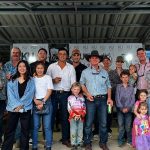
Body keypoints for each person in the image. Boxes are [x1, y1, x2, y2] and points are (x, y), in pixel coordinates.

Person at [80, 50, 113, 150]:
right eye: (92, 58)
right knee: (89, 123)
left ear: (99, 60)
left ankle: (103, 142)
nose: (94, 59)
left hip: (103, 100)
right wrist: (87, 94)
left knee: (103, 123)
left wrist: (109, 98)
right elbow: (82, 84)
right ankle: (87, 143)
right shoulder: (85, 72)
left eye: (96, 58)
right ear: (89, 60)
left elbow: (109, 86)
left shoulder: (104, 72)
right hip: (90, 100)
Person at [1, 60, 35, 150]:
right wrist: (17, 106)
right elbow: (10, 95)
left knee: (25, 130)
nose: (22, 68)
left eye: (24, 66)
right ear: (17, 68)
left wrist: (21, 105)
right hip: (13, 108)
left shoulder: (31, 80)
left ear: (27, 68)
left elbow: (30, 94)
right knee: (10, 130)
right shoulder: (12, 79)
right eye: (20, 66)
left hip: (26, 108)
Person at [46, 48, 76, 147]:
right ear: (57, 55)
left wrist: (73, 96)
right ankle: (48, 139)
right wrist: (53, 81)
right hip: (53, 93)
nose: (62, 56)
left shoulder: (70, 67)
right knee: (50, 116)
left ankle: (65, 139)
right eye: (60, 54)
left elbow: (73, 83)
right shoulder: (51, 67)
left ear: (67, 56)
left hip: (66, 94)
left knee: (65, 117)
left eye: (64, 54)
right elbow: (45, 81)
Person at [32, 61, 53, 150]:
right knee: (35, 126)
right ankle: (34, 145)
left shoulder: (48, 77)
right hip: (35, 102)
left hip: (46, 101)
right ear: (35, 69)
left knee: (47, 126)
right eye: (38, 68)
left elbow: (49, 90)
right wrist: (35, 100)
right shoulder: (32, 78)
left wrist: (43, 101)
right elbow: (30, 91)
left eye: (41, 68)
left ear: (44, 69)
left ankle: (48, 145)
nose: (39, 70)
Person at [115, 70, 135, 147]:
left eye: (126, 77)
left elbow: (132, 99)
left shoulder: (131, 87)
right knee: (121, 126)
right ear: (121, 78)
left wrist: (128, 108)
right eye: (123, 77)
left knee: (128, 126)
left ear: (128, 78)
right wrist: (121, 108)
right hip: (120, 110)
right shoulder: (118, 87)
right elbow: (117, 98)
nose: (125, 79)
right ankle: (120, 140)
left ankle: (129, 140)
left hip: (129, 110)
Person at [68, 82, 86, 150]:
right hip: (72, 117)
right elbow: (69, 108)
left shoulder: (82, 98)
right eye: (74, 89)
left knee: (80, 129)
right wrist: (74, 115)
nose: (76, 91)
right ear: (71, 89)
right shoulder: (70, 98)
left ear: (80, 90)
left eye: (78, 89)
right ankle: (73, 144)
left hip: (81, 117)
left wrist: (81, 115)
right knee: (73, 129)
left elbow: (84, 107)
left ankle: (79, 143)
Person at [0, 60, 6, 146]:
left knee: (0, 119)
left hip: (2, 99)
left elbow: (6, 86)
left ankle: (0, 139)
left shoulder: (4, 74)